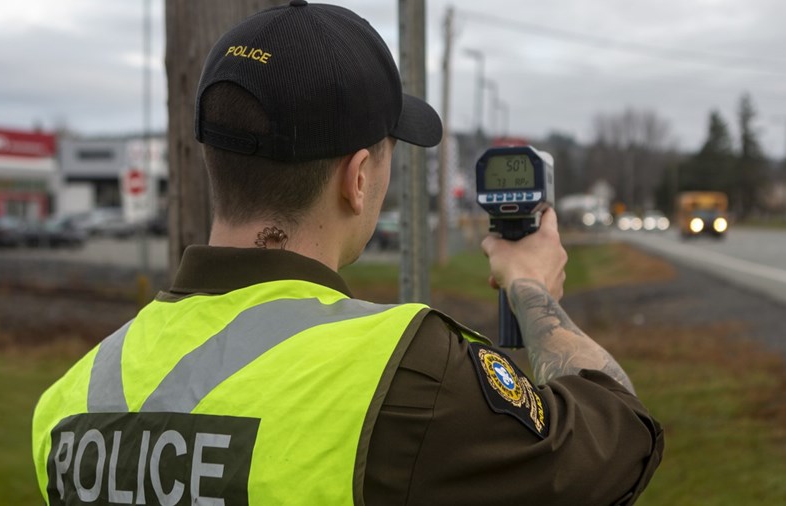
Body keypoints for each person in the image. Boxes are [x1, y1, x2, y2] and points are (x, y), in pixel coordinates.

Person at [32, 1, 663, 504]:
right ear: (357, 178)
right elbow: (617, 438)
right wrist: (531, 290)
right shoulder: (405, 375)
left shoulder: (68, 402)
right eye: (388, 155)